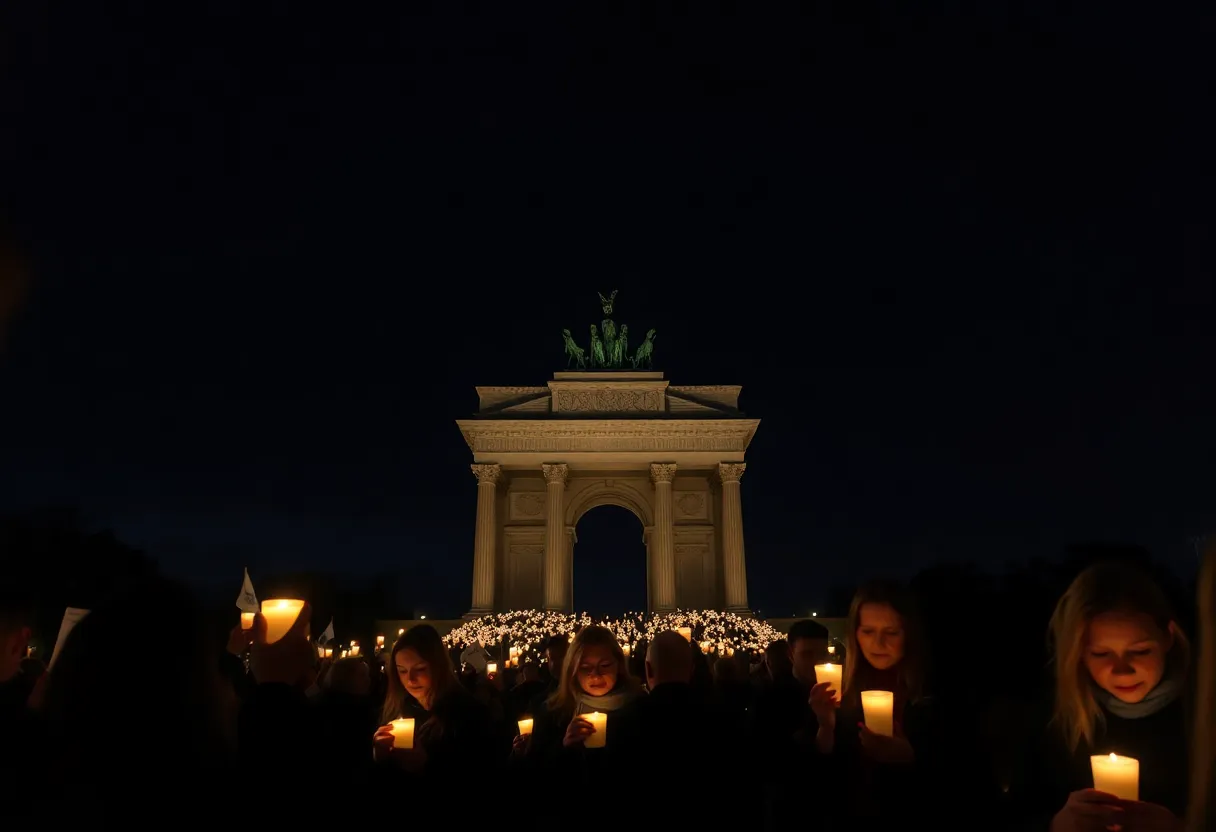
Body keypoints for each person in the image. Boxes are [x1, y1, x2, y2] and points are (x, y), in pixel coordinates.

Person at [1021, 562, 1191, 831]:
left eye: (1140, 651)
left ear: (1168, 638)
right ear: (1079, 654)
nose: (1122, 671)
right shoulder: (1057, 721)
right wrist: (1055, 825)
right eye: (1101, 654)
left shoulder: (1202, 716)